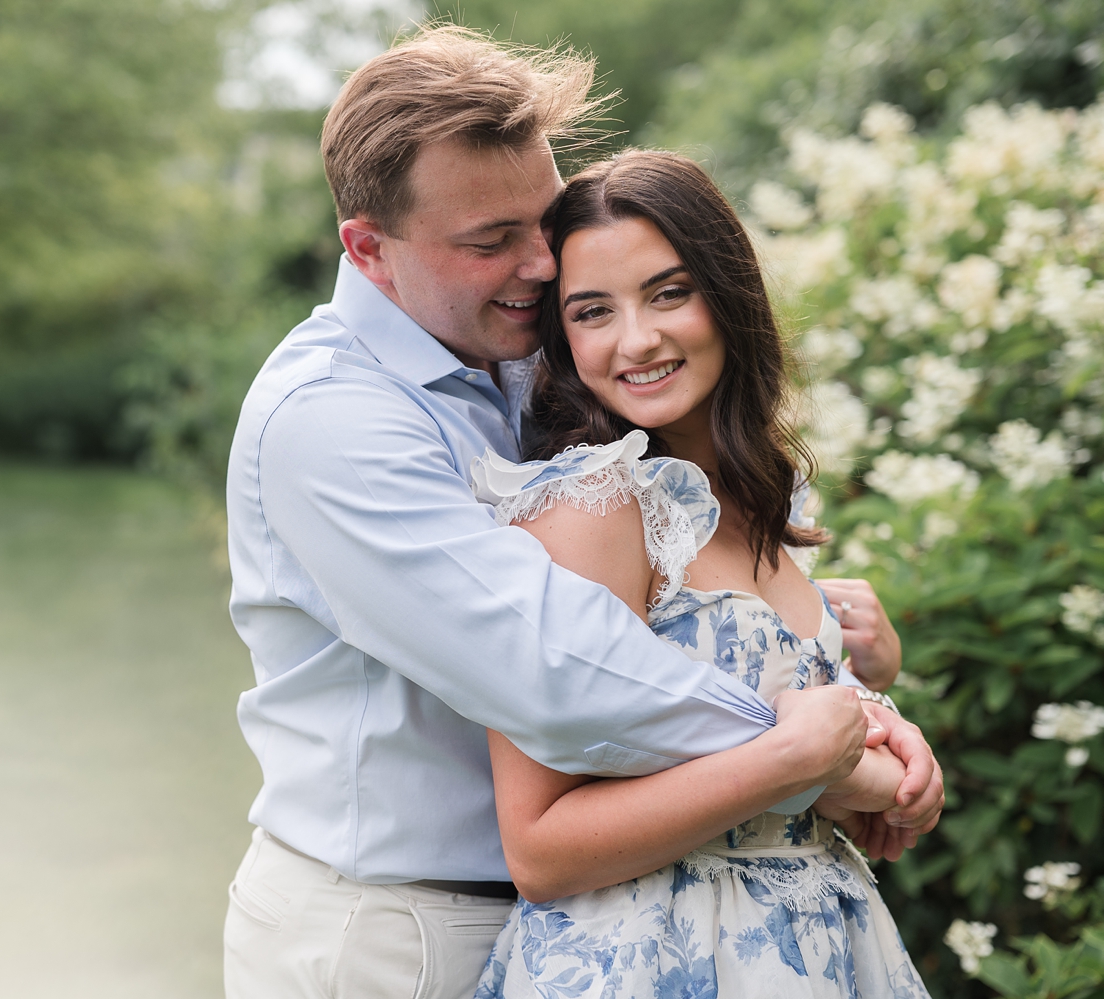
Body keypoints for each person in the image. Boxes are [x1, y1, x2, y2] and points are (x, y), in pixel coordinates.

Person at [223, 25, 942, 999]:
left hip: (593, 913)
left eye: (543, 221)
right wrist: (821, 753)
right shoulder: (333, 422)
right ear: (368, 248)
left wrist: (841, 665)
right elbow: (556, 667)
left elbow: (690, 599)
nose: (542, 266)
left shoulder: (527, 356)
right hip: (393, 928)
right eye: (492, 241)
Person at [470, 151, 931, 997]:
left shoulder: (761, 496)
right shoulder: (593, 508)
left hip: (823, 949)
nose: (636, 340)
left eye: (668, 292)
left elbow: (771, 736)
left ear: (729, 294)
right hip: (658, 959)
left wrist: (874, 694)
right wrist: (808, 763)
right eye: (592, 311)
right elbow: (539, 848)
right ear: (562, 339)